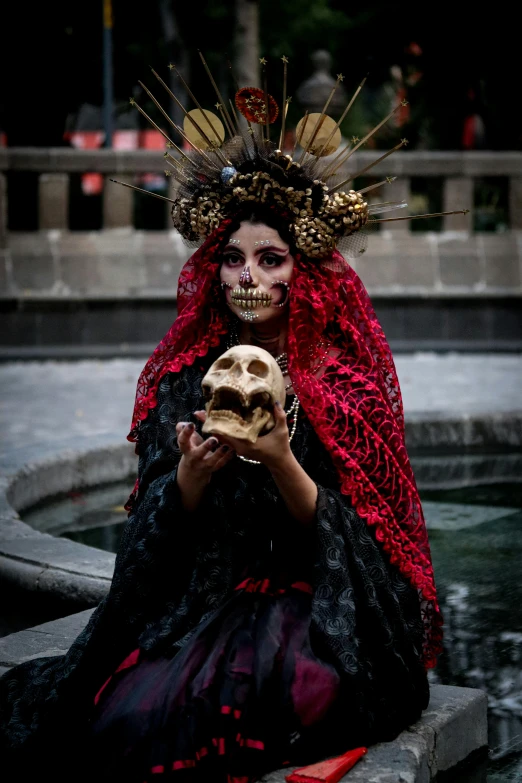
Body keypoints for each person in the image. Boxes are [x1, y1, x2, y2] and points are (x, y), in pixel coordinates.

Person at [0, 64, 445, 783]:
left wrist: (280, 459)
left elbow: (374, 562)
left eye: (270, 259)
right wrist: (187, 480)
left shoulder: (345, 385)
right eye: (232, 258)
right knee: (128, 715)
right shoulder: (185, 380)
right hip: (205, 602)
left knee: (309, 687)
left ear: (304, 269)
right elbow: (145, 549)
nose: (248, 277)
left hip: (314, 614)